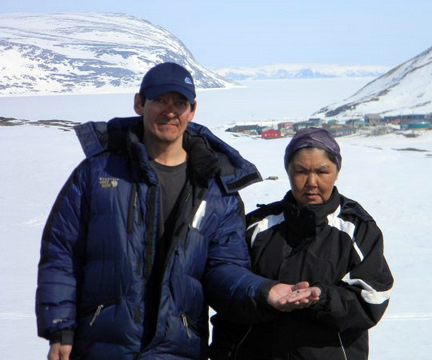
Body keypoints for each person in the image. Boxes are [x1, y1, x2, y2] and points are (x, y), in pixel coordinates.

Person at [35, 62, 320, 360]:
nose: (170, 111)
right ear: (139, 103)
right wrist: (60, 329)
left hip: (177, 350)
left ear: (192, 109)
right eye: (160, 100)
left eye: (179, 103)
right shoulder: (97, 174)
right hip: (100, 346)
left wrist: (263, 291)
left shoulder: (216, 190)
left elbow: (224, 268)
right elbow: (62, 253)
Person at [209, 127, 394, 360]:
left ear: (337, 171)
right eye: (301, 171)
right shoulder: (257, 226)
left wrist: (322, 298)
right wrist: (265, 295)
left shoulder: (357, 229)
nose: (312, 182)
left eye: (322, 171)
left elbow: (372, 297)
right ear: (288, 171)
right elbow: (226, 289)